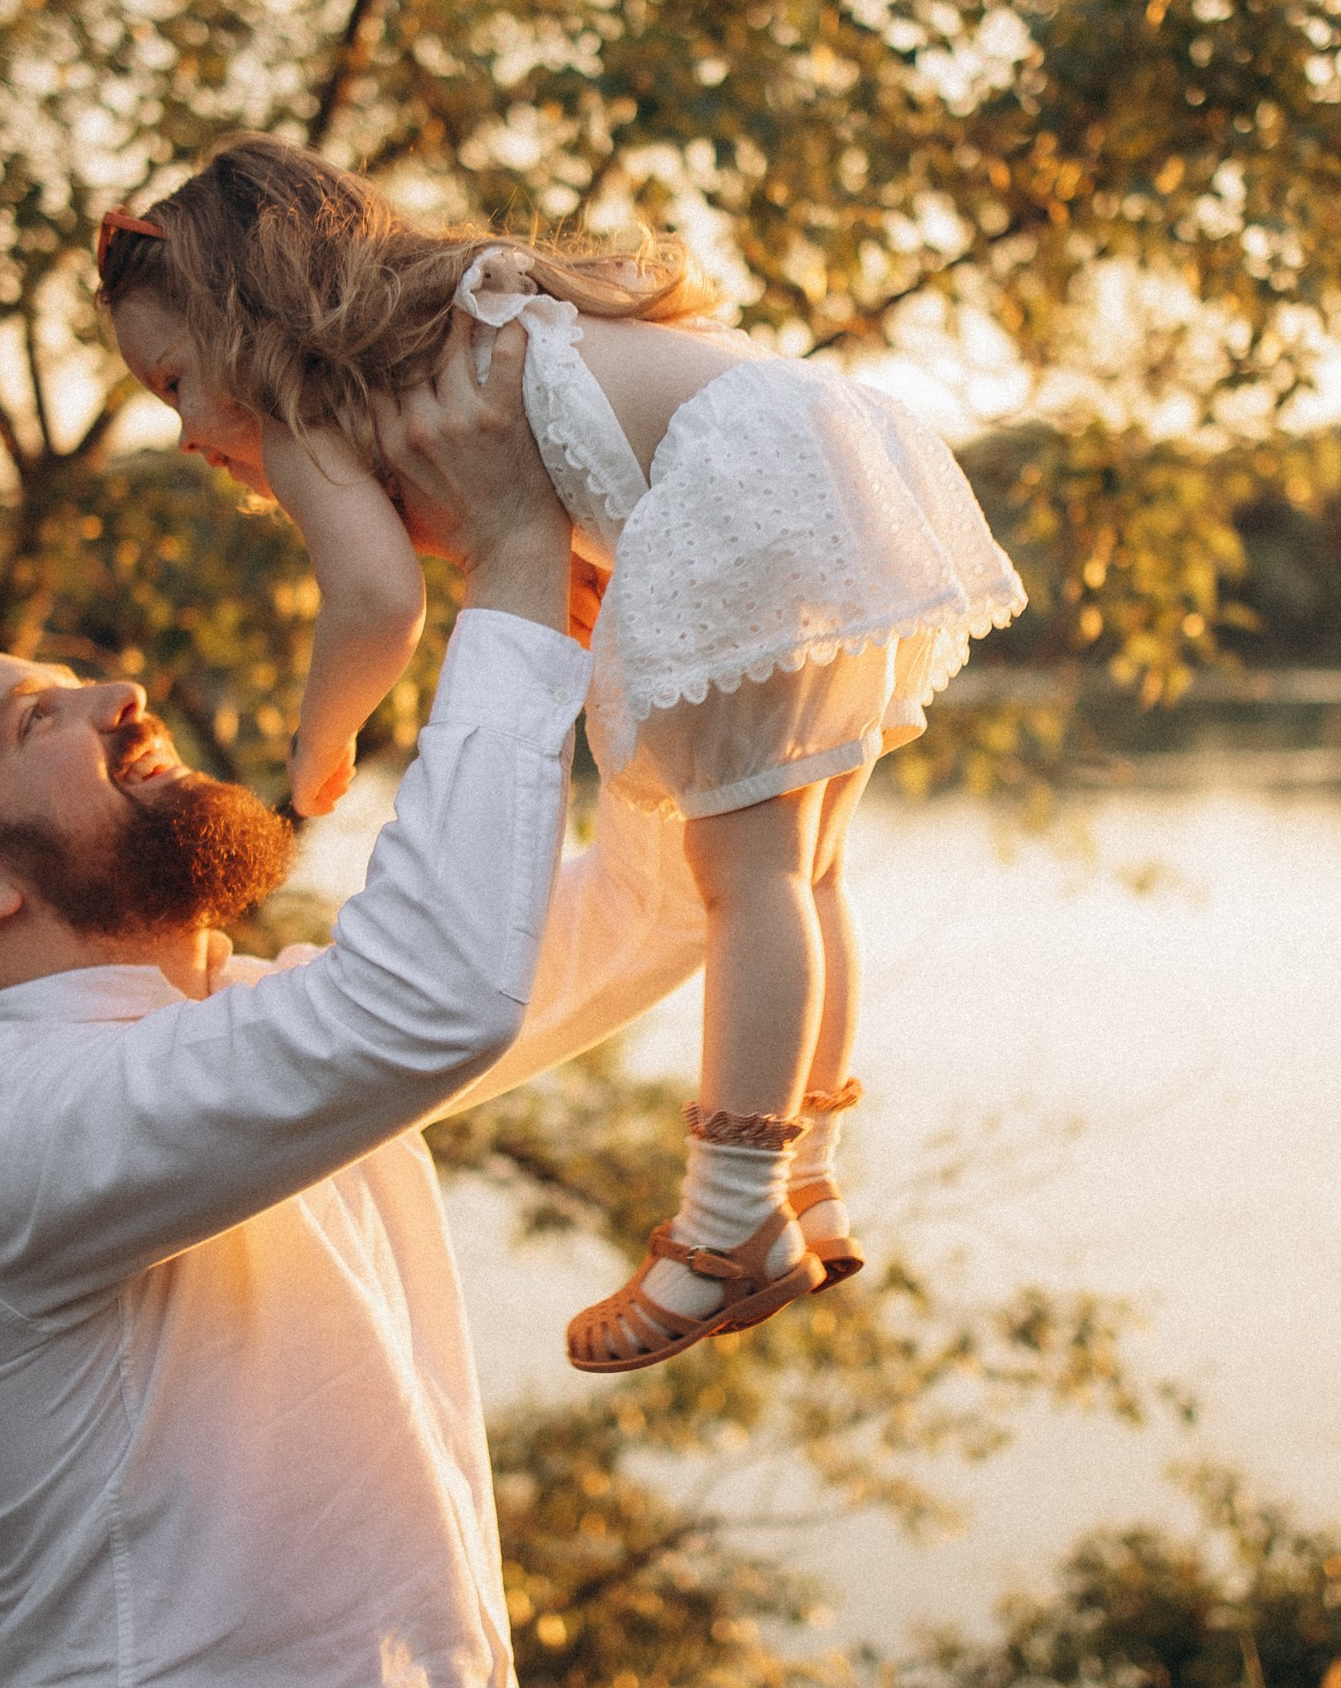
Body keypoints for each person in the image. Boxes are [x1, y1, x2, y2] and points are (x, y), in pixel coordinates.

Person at [0, 317, 708, 1688]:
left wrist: (668, 611)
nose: (118, 691)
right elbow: (427, 997)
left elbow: (660, 906)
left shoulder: (248, 1036)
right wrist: (504, 555)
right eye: (41, 724)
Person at [97, 136, 1026, 1379]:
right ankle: (807, 1176)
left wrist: (317, 745)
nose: (178, 431)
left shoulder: (305, 401)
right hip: (821, 444)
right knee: (803, 872)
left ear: (242, 324)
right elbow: (592, 451)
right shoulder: (468, 316)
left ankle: (725, 1221)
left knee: (744, 880)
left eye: (171, 385)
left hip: (742, 490)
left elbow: (374, 603)